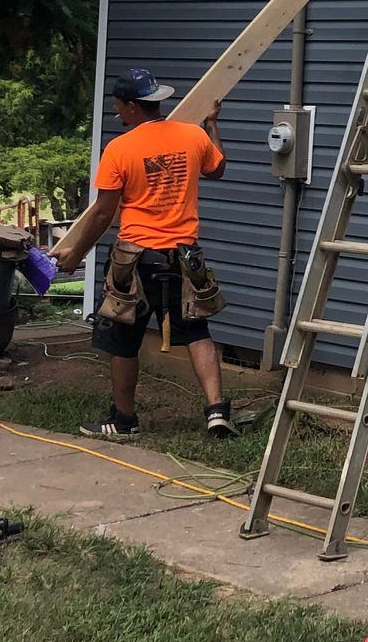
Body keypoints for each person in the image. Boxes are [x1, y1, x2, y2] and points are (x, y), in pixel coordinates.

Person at [52, 68, 233, 441]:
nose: (117, 113)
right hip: (184, 257)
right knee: (197, 331)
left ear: (133, 106)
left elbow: (103, 213)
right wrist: (212, 125)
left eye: (119, 106)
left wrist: (75, 254)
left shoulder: (120, 149)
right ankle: (216, 411)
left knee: (123, 338)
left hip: (135, 260)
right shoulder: (192, 135)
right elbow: (218, 168)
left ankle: (124, 421)